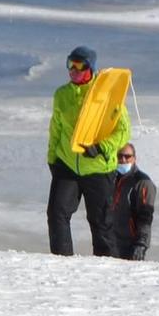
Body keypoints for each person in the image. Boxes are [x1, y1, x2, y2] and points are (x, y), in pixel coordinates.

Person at [45, 45, 133, 256]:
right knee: (57, 213)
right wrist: (52, 159)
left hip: (98, 168)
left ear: (91, 68)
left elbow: (123, 130)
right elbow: (56, 129)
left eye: (80, 66)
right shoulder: (62, 95)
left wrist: (102, 147)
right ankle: (61, 261)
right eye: (70, 64)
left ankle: (105, 269)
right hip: (67, 165)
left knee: (102, 223)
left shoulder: (106, 95)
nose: (74, 70)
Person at [109, 143, 156, 261]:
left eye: (127, 156)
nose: (123, 160)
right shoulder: (112, 179)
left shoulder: (143, 182)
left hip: (131, 246)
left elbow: (145, 217)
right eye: (119, 156)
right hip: (111, 243)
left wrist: (141, 244)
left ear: (134, 158)